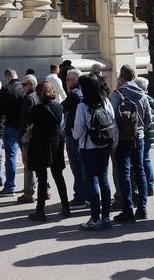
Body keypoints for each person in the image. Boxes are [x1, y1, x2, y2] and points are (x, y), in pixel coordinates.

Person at [73, 72, 118, 231]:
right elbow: (113, 124)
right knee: (104, 180)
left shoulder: (82, 106)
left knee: (92, 181)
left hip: (88, 148)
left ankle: (95, 218)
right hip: (105, 146)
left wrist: (73, 133)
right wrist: (113, 145)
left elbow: (77, 133)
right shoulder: (106, 101)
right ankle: (106, 218)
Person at [110, 65, 151, 222]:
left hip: (122, 140)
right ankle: (142, 208)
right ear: (134, 77)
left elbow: (113, 120)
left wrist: (114, 143)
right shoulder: (142, 94)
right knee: (140, 172)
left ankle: (127, 210)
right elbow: (148, 119)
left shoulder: (118, 94)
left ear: (121, 77)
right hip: (138, 137)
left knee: (124, 173)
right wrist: (139, 130)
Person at [25, 80, 70, 220]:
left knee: (42, 178)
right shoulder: (59, 107)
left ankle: (40, 211)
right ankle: (66, 207)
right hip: (56, 144)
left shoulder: (36, 109)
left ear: (39, 93)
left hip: (40, 145)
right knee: (58, 176)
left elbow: (30, 123)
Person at [0, 69, 26, 196]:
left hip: (10, 126)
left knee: (11, 157)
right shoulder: (24, 88)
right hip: (23, 126)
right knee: (27, 156)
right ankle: (31, 185)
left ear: (7, 77)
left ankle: (10, 186)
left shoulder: (6, 89)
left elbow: (0, 111)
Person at [62, 69, 87, 206]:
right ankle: (86, 194)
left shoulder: (74, 95)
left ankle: (80, 196)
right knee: (83, 165)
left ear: (75, 80)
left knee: (76, 166)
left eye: (67, 79)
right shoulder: (85, 91)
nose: (66, 82)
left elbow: (61, 108)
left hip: (73, 134)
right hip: (84, 134)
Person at [133, 76, 154, 197]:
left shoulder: (142, 99)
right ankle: (149, 186)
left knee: (143, 160)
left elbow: (145, 120)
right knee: (146, 159)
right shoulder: (150, 99)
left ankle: (147, 186)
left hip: (145, 133)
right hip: (149, 133)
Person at [17, 74, 40, 204]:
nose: (22, 87)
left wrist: (21, 136)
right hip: (38, 135)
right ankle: (44, 189)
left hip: (29, 136)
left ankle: (28, 193)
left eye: (24, 84)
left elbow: (25, 120)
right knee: (39, 165)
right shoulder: (39, 95)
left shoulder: (29, 99)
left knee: (28, 165)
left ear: (31, 85)